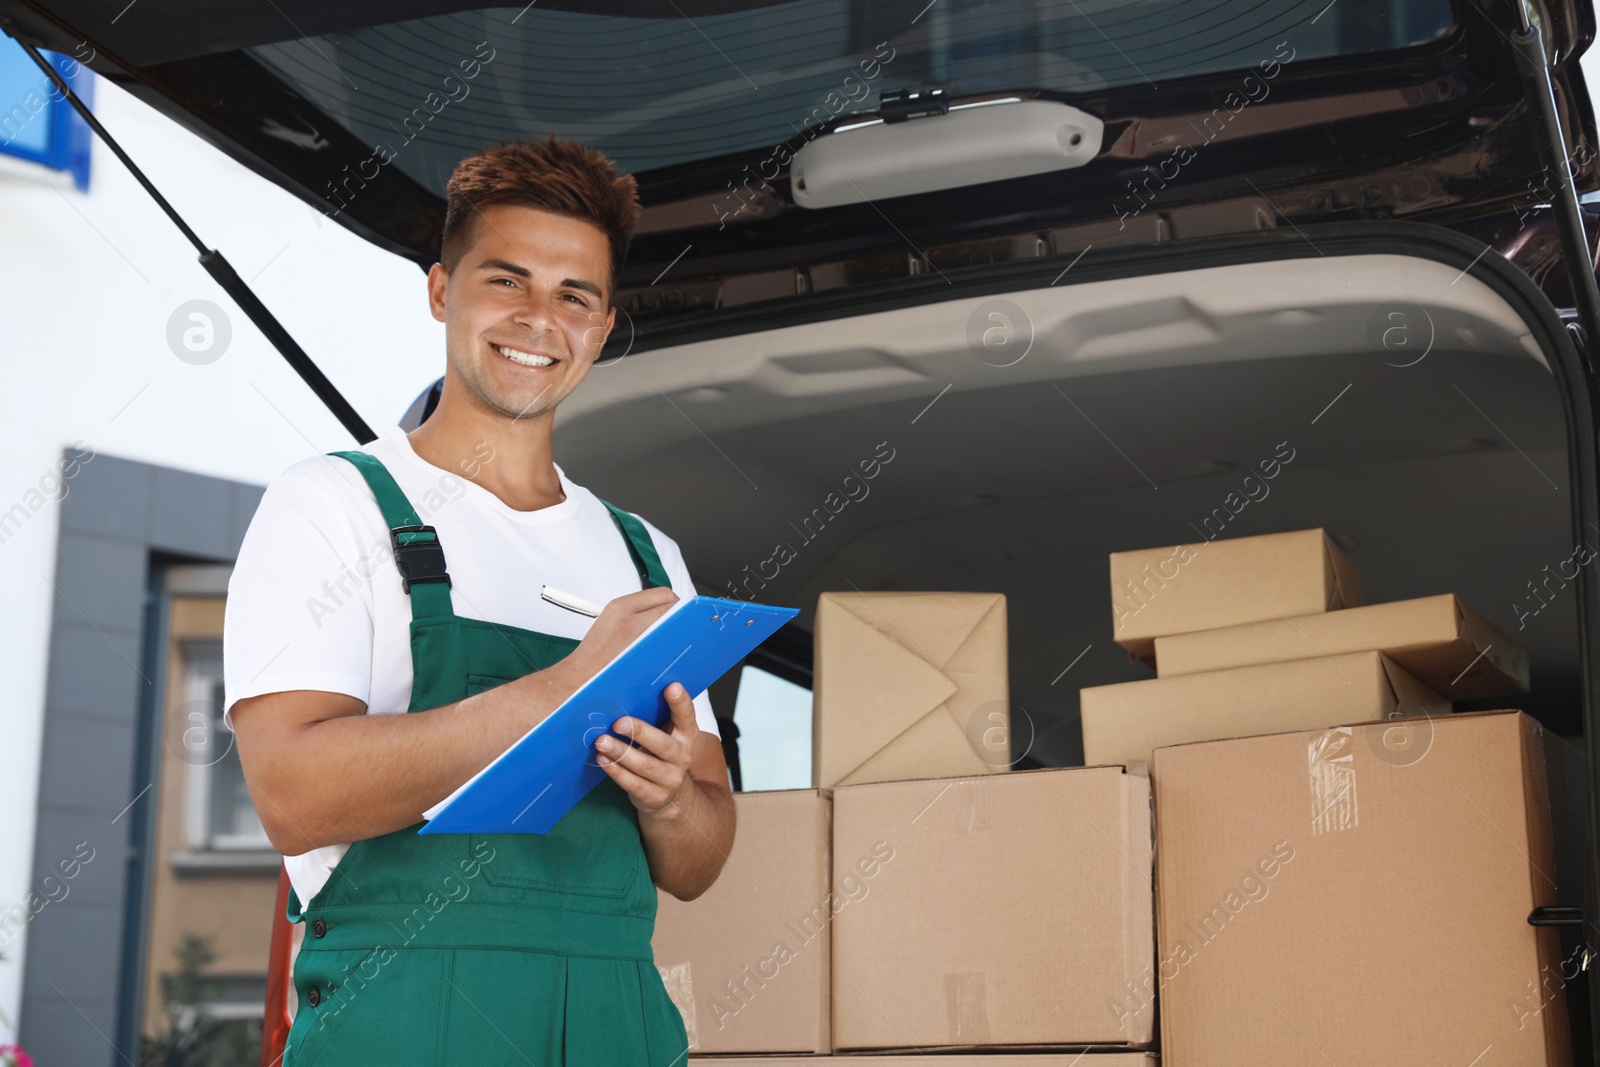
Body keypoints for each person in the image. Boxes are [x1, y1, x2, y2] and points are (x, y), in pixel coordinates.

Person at [224, 134, 733, 1065]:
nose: (541, 319)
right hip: (408, 1021)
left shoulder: (645, 556)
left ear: (605, 324)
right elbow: (291, 794)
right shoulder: (334, 506)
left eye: (574, 295)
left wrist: (669, 802)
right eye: (507, 281)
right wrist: (557, 694)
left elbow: (700, 859)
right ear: (440, 291)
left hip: (616, 1024)